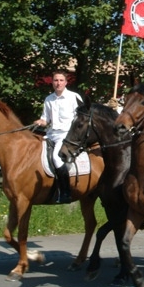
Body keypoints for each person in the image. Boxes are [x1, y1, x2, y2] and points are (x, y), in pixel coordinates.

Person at [34, 71, 83, 203]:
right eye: (56, 80)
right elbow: (46, 119)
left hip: (67, 135)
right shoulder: (49, 99)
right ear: (52, 82)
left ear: (66, 82)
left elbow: (81, 118)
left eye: (61, 80)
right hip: (51, 134)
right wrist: (40, 122)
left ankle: (66, 193)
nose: (58, 83)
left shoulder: (74, 97)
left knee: (56, 158)